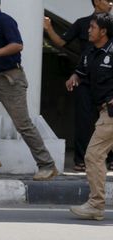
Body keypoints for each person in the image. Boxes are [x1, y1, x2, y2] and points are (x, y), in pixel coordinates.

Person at [0, 0, 58, 181]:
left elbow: (17, 45)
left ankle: (47, 165)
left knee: (23, 124)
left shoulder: (6, 21)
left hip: (11, 80)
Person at [44, 0, 113, 172]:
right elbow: (61, 43)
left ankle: (110, 160)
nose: (111, 4)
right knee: (84, 121)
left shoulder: (110, 25)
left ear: (104, 32)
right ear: (96, 1)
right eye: (107, 0)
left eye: (93, 29)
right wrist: (49, 27)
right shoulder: (83, 25)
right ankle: (81, 160)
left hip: (107, 83)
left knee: (109, 122)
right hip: (85, 80)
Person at [69, 13, 113, 221]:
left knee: (93, 156)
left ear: (103, 31)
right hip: (104, 111)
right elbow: (83, 71)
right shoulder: (90, 52)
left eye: (93, 27)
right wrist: (75, 76)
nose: (88, 30)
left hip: (111, 114)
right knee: (95, 156)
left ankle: (96, 204)